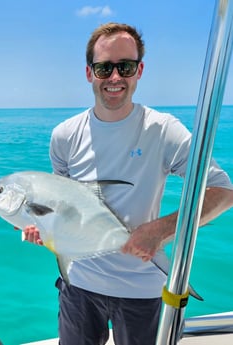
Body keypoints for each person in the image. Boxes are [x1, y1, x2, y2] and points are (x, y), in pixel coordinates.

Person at [23, 23, 233, 345]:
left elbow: (223, 192)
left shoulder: (163, 130)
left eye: (126, 66)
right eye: (104, 68)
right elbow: (62, 209)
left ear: (140, 70)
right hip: (77, 287)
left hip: (141, 292)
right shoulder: (64, 136)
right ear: (89, 73)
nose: (115, 77)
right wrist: (43, 231)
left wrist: (160, 231)